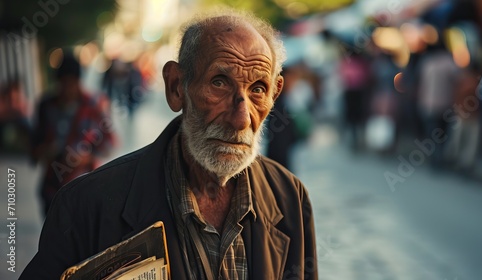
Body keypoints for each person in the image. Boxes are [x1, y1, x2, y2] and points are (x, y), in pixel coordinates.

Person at [21, 9, 318, 280]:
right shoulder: (87, 207)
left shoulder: (290, 198)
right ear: (176, 87)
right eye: (219, 82)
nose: (241, 119)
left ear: (275, 94)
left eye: (257, 89)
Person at [30, 52, 115, 215]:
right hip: (52, 186)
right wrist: (45, 151)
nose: (67, 89)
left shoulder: (94, 106)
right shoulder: (46, 106)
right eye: (63, 83)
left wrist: (87, 157)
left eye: (71, 83)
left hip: (85, 185)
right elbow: (34, 146)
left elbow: (110, 143)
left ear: (78, 81)